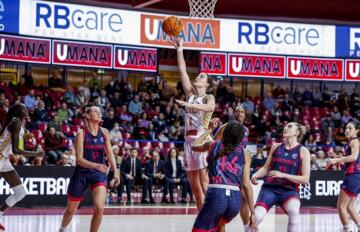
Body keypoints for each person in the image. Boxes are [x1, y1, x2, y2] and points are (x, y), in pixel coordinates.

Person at [169, 37, 215, 210]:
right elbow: (183, 72)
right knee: (195, 190)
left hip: (202, 140)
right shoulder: (190, 93)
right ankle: (202, 222)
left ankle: (213, 220)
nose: (198, 76)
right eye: (198, 75)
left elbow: (211, 106)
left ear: (206, 84)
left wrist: (189, 105)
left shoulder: (208, 96)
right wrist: (180, 49)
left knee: (205, 185)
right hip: (188, 142)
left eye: (202, 76)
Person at [59, 106, 120, 232]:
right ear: (87, 115)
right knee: (70, 210)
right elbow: (79, 160)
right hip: (82, 172)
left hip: (98, 173)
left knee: (99, 208)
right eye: (95, 111)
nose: (99, 112)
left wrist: (116, 171)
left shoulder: (105, 132)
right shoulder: (81, 134)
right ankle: (62, 229)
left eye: (100, 111)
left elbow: (109, 153)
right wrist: (96, 165)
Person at [191, 121, 257, 232]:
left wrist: (208, 130)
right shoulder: (246, 153)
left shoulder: (213, 145)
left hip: (216, 195)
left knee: (199, 229)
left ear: (225, 133)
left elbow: (193, 146)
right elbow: (246, 184)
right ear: (241, 138)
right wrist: (253, 213)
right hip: (235, 200)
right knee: (220, 224)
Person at [251, 122, 310, 232]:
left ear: (297, 132)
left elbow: (305, 179)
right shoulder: (276, 146)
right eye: (285, 126)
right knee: (256, 217)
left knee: (294, 212)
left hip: (289, 191)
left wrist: (283, 175)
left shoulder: (303, 151)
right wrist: (255, 175)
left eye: (289, 126)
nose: (285, 128)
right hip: (270, 189)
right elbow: (265, 168)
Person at [0, 103, 44, 230]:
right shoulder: (16, 123)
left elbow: (13, 137)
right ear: (18, 112)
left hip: (4, 160)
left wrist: (26, 135)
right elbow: (16, 150)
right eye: (23, 108)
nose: (26, 110)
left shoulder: (17, 122)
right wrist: (37, 153)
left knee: (20, 193)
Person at [211, 105, 252, 231]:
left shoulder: (246, 130)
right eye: (237, 111)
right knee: (223, 203)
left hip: (239, 166)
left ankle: (246, 228)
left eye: (242, 111)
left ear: (245, 115)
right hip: (226, 165)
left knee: (244, 199)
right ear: (233, 114)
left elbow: (242, 148)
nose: (239, 113)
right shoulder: (226, 127)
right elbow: (214, 143)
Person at [328, 122, 360, 232]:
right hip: (357, 177)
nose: (347, 130)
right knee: (350, 207)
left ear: (356, 131)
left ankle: (346, 230)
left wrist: (336, 160)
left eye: (350, 128)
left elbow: (354, 157)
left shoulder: (354, 141)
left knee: (341, 206)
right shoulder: (352, 142)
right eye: (346, 128)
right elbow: (351, 159)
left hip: (353, 176)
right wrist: (337, 156)